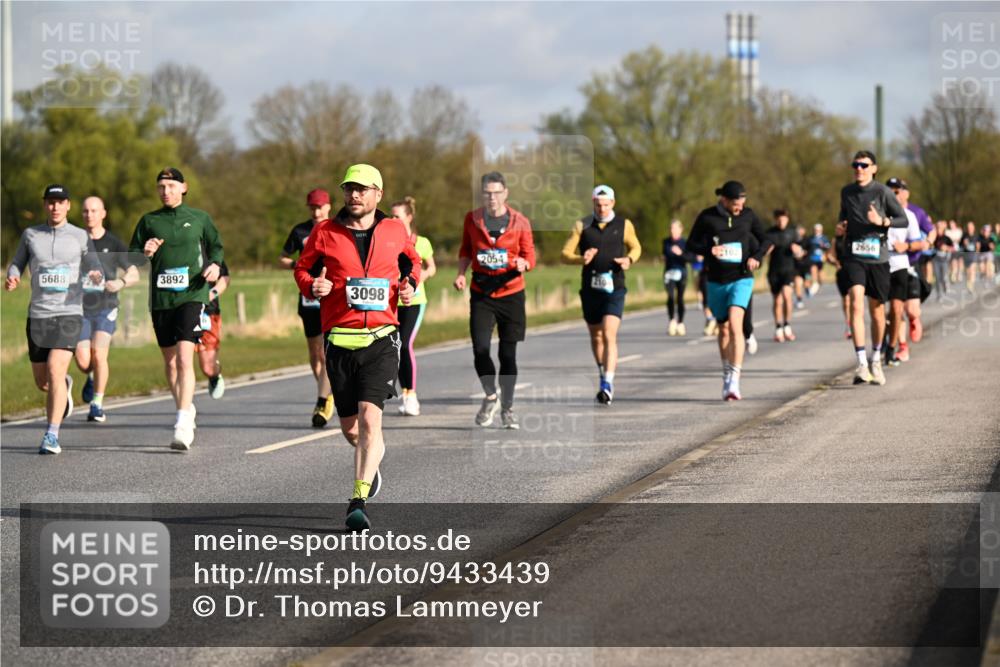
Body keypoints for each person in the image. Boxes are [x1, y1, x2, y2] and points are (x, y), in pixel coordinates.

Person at [294, 164, 420, 532]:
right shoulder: (325, 233)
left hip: (382, 338)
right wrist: (310, 287)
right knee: (352, 430)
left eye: (363, 189)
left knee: (370, 419)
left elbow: (412, 262)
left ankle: (358, 500)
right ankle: (371, 459)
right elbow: (303, 270)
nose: (355, 195)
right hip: (339, 342)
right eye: (350, 189)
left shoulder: (394, 230)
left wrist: (409, 283)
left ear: (378, 194)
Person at [128, 167, 224, 450]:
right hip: (161, 300)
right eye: (161, 186)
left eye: (171, 186)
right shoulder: (149, 221)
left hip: (192, 296)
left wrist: (215, 266)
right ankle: (186, 406)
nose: (165, 191)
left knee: (184, 358)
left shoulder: (199, 218)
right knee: (170, 364)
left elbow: (216, 248)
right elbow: (132, 256)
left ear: (184, 188)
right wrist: (144, 252)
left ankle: (182, 422)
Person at [5, 184, 104, 454]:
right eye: (50, 202)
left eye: (60, 202)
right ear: (44, 205)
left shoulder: (80, 236)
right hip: (38, 314)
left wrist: (95, 275)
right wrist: (12, 274)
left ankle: (51, 435)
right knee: (44, 382)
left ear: (68, 205)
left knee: (54, 368)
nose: (55, 207)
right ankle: (64, 387)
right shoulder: (31, 235)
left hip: (69, 313)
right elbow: (17, 262)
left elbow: (94, 266)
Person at [454, 172, 536, 428]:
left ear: (505, 193)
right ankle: (491, 395)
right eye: (487, 193)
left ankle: (508, 408)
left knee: (508, 354)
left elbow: (530, 256)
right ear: (482, 195)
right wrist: (460, 274)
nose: (492, 197)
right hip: (482, 293)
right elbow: (466, 250)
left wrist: (525, 263)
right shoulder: (473, 219)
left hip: (511, 292)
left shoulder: (520, 222)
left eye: (496, 192)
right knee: (480, 349)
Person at [686, 181, 770, 401]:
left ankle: (734, 379)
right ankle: (726, 371)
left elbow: (766, 239)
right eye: (735, 202)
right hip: (715, 281)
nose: (740, 206)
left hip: (741, 277)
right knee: (723, 329)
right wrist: (708, 250)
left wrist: (756, 257)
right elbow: (690, 244)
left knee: (735, 323)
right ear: (723, 199)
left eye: (743, 201)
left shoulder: (748, 215)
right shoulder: (707, 217)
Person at [561, 184, 642, 404]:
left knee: (608, 333)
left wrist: (629, 260)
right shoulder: (582, 225)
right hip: (590, 288)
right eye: (598, 205)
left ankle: (607, 382)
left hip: (614, 286)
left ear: (613, 203)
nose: (602, 209)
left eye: (606, 205)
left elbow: (636, 247)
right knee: (596, 336)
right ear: (593, 203)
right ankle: (602, 370)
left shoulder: (624, 225)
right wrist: (581, 258)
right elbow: (565, 253)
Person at [837, 151, 908, 386]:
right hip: (854, 256)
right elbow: (843, 217)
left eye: (864, 165)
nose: (859, 168)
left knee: (877, 312)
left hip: (878, 258)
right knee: (856, 302)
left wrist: (882, 222)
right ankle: (861, 363)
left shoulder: (882, 192)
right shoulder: (846, 192)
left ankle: (876, 358)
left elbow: (902, 219)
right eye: (855, 164)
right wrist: (840, 227)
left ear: (873, 168)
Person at [74, 195, 140, 423]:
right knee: (84, 361)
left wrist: (120, 282)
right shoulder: (75, 241)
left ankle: (97, 404)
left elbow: (134, 272)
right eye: (85, 211)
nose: (89, 215)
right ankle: (90, 376)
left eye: (94, 211)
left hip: (106, 307)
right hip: (80, 309)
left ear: (103, 213)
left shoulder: (113, 244)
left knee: (100, 354)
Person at [280, 189, 336, 428]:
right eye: (312, 207)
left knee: (326, 351)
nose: (316, 211)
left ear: (328, 207)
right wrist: (299, 264)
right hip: (308, 295)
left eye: (320, 207)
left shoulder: (336, 228)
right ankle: (325, 391)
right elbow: (282, 257)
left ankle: (324, 398)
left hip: (331, 293)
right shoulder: (300, 231)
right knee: (314, 353)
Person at [391, 196, 436, 417]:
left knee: (404, 344)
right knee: (394, 347)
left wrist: (417, 279)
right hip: (392, 302)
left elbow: (431, 268)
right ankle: (404, 394)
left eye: (397, 216)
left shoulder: (422, 242)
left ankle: (411, 396)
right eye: (390, 216)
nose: (393, 219)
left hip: (415, 301)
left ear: (408, 217)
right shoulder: (388, 241)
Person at [883, 178, 923, 366]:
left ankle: (894, 347)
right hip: (879, 264)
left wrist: (905, 245)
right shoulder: (877, 213)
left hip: (900, 264)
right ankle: (883, 341)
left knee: (897, 310)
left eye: (897, 191)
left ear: (902, 194)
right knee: (881, 311)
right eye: (890, 191)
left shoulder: (909, 216)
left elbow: (918, 243)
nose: (894, 194)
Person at [764, 209, 803, 342]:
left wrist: (797, 251)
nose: (781, 222)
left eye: (784, 219)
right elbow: (763, 250)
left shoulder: (793, 232)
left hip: (788, 269)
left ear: (787, 219)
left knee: (787, 296)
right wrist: (766, 250)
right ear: (776, 220)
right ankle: (778, 327)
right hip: (774, 271)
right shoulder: (770, 233)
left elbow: (801, 251)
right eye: (779, 219)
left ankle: (787, 325)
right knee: (777, 300)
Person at [197, 261, 230, 398]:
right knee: (178, 362)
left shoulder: (210, 249)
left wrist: (212, 293)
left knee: (207, 368)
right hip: (178, 310)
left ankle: (214, 376)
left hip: (207, 313)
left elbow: (225, 277)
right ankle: (184, 407)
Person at [662, 219, 693, 336]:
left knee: (680, 298)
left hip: (681, 273)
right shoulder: (666, 242)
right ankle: (672, 321)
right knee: (670, 297)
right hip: (669, 273)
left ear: (680, 230)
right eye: (671, 228)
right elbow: (666, 254)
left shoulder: (685, 243)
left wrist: (680, 254)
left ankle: (680, 322)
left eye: (675, 228)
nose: (672, 231)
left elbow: (690, 258)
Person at [931, 219, 955, 300]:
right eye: (937, 227)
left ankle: (946, 287)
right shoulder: (933, 238)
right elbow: (929, 247)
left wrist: (947, 248)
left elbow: (953, 248)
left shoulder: (946, 238)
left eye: (940, 228)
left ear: (943, 229)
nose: (938, 229)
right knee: (937, 278)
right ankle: (939, 294)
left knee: (944, 277)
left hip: (944, 260)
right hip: (935, 260)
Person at [806, 223, 831, 295]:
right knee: (813, 270)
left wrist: (824, 246)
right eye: (815, 230)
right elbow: (806, 247)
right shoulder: (810, 238)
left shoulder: (824, 238)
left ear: (821, 230)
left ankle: (818, 283)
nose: (816, 231)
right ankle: (814, 285)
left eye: (818, 230)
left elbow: (828, 247)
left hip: (820, 259)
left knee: (820, 275)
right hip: (812, 258)